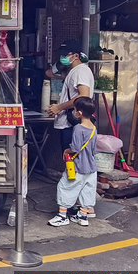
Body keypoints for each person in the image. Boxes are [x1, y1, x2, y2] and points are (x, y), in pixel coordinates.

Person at [48, 97, 98, 227]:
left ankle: (62, 216)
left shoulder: (78, 128)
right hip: (91, 167)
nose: (73, 112)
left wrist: (66, 150)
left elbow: (75, 148)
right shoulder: (93, 128)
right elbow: (93, 150)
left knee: (65, 187)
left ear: (79, 113)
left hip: (77, 167)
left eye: (75, 110)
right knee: (86, 190)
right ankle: (82, 216)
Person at [47, 39, 95, 153]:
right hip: (70, 122)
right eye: (61, 54)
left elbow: (84, 96)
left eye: (65, 54)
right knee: (70, 159)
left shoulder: (80, 72)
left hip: (72, 123)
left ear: (76, 55)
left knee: (71, 159)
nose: (62, 57)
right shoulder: (73, 71)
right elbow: (49, 73)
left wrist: (59, 107)